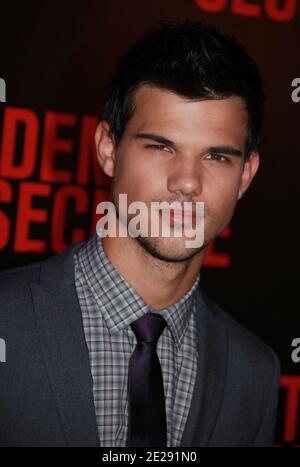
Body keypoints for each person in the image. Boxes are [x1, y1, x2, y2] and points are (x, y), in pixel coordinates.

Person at [0, 19, 280, 447]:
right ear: (108, 149)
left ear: (246, 175)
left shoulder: (255, 374)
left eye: (217, 157)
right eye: (161, 146)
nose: (187, 181)